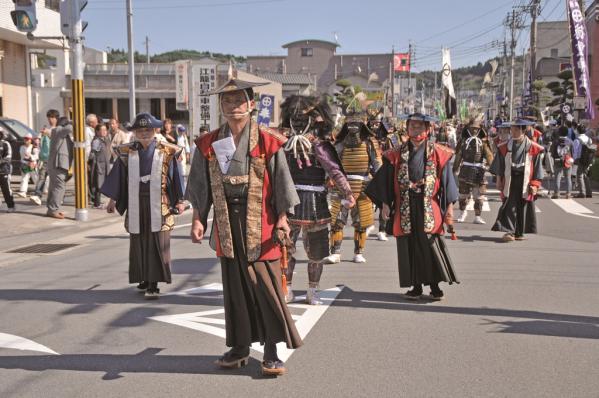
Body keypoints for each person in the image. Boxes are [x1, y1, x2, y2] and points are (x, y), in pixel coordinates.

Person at [185, 78, 302, 376]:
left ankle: (272, 351)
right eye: (227, 101)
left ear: (251, 105)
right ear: (221, 107)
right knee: (235, 288)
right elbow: (200, 185)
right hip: (227, 222)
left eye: (239, 101)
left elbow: (281, 184)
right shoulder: (209, 143)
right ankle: (239, 348)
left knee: (265, 287)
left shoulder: (268, 141)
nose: (233, 106)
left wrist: (283, 219)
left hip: (262, 223)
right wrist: (199, 218)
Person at [365, 112, 459, 300]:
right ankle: (416, 287)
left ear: (427, 129)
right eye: (412, 126)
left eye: (419, 126)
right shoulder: (396, 153)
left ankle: (434, 286)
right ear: (407, 128)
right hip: (405, 204)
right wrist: (385, 204)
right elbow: (384, 181)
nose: (415, 129)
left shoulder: (439, 152)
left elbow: (448, 182)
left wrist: (449, 208)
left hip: (428, 205)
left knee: (430, 244)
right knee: (408, 246)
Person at [280, 94, 355, 305]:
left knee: (317, 251)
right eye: (294, 118)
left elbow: (334, 171)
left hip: (315, 202)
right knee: (285, 248)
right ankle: (288, 289)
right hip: (289, 201)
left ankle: (312, 291)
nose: (298, 122)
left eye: (302, 119)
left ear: (313, 120)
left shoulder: (319, 146)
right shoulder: (282, 144)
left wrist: (347, 192)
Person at [101, 113, 186, 298]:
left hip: (160, 203)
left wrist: (180, 200)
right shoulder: (127, 151)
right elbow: (119, 178)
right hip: (136, 201)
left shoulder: (167, 150)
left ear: (155, 130)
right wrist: (112, 200)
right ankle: (144, 278)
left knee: (157, 242)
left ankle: (154, 284)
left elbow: (176, 176)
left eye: (148, 130)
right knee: (139, 242)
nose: (144, 133)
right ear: (135, 132)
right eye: (140, 130)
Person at [325, 106, 381, 264]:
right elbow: (332, 163)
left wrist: (380, 185)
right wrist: (329, 178)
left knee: (361, 222)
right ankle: (335, 252)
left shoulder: (370, 142)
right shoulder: (340, 142)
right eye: (350, 123)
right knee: (336, 221)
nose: (353, 127)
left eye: (356, 123)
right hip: (342, 185)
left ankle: (359, 252)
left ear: (362, 125)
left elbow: (377, 165)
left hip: (363, 185)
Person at [491, 119, 544, 242]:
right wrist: (498, 180)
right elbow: (499, 165)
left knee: (523, 206)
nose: (512, 132)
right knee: (509, 204)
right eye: (512, 130)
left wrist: (535, 185)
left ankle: (519, 233)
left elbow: (537, 168)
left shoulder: (533, 147)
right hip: (510, 179)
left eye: (515, 130)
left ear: (523, 130)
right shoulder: (504, 146)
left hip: (525, 180)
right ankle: (509, 231)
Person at [453, 115, 494, 224]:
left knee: (479, 196)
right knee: (462, 195)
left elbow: (489, 155)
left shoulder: (483, 142)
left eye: (476, 129)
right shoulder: (463, 142)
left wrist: (493, 168)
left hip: (479, 171)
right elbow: (458, 156)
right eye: (472, 128)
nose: (474, 130)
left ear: (480, 129)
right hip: (465, 169)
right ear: (468, 129)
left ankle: (477, 216)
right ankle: (462, 213)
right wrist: (455, 169)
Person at [46, 116, 74, 219]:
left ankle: (51, 209)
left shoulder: (62, 134)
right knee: (59, 187)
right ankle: (53, 210)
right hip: (57, 165)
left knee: (54, 187)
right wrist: (74, 121)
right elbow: (70, 128)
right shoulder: (58, 130)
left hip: (57, 165)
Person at [30, 109, 58, 205]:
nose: (50, 120)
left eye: (52, 118)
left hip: (55, 160)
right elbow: (40, 145)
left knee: (55, 180)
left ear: (56, 118)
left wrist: (47, 133)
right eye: (49, 118)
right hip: (44, 159)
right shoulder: (46, 130)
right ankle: (37, 195)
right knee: (42, 177)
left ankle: (57, 197)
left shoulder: (57, 130)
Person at [89, 124, 112, 209]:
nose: (104, 132)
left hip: (105, 164)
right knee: (98, 183)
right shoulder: (97, 141)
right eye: (102, 130)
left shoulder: (105, 140)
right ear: (97, 131)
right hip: (98, 165)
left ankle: (98, 201)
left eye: (105, 130)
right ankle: (96, 203)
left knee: (102, 183)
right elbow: (93, 154)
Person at [550, 126, 574, 199]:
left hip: (558, 160)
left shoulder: (555, 141)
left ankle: (556, 193)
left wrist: (554, 158)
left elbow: (552, 152)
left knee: (557, 177)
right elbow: (573, 152)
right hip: (567, 161)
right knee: (568, 178)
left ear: (559, 132)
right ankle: (568, 193)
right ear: (567, 132)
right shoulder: (570, 141)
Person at [573, 127, 595, 198]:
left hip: (580, 159)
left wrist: (574, 160)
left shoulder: (577, 140)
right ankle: (589, 192)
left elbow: (575, 152)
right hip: (588, 159)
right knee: (585, 175)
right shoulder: (589, 139)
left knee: (579, 175)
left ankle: (582, 192)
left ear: (578, 131)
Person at [15, 133, 38, 198]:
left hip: (32, 165)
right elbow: (22, 157)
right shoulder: (22, 147)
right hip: (25, 165)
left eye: (27, 139)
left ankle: (39, 190)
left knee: (35, 178)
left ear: (31, 140)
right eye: (25, 139)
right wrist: (23, 163)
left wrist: (31, 157)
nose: (26, 140)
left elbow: (36, 156)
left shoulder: (34, 147)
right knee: (24, 178)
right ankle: (23, 191)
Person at [0, 127, 16, 213]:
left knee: (6, 189)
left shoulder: (5, 144)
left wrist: (1, 161)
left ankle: (11, 206)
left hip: (4, 170)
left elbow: (8, 157)